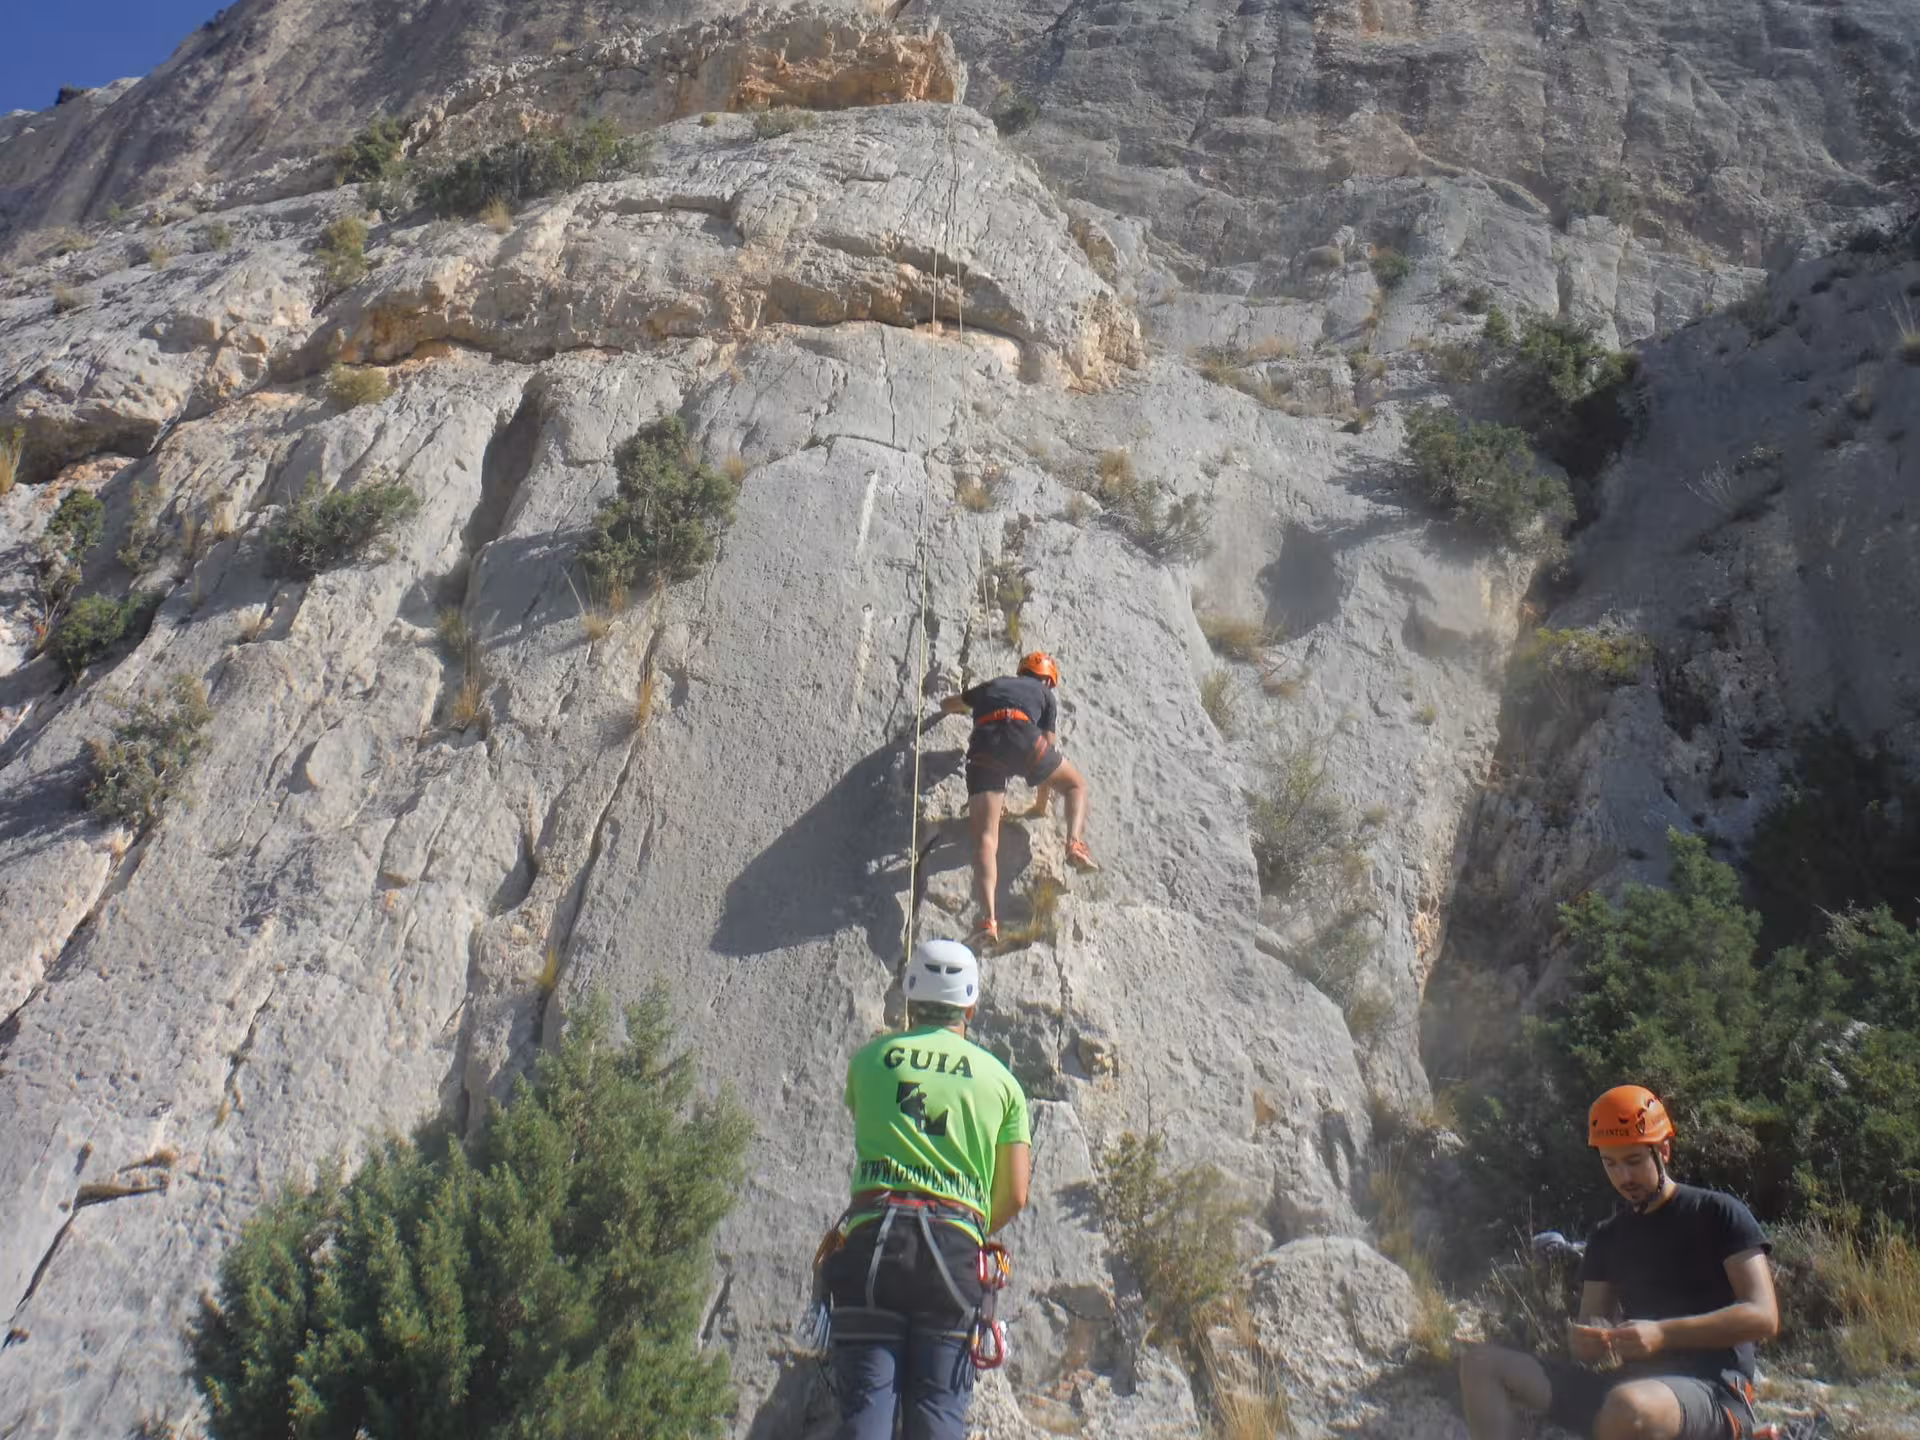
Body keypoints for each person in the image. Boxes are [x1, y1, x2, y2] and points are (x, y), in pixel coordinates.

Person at [1459, 1085, 1780, 1440]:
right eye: (1610, 1164)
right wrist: (1586, 1340)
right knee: (1481, 1365)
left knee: (1628, 1407)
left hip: (1713, 1389)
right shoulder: (1607, 1237)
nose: (1623, 1178)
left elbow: (1763, 1316)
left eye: (1633, 1161)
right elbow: (1590, 1330)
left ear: (1664, 1151)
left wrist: (1661, 1334)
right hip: (1627, 1386)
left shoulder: (1719, 1213)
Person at [822, 939, 1032, 1440]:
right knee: (938, 1415)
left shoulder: (870, 1060)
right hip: (954, 1253)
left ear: (911, 994)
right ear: (971, 1005)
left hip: (873, 1243)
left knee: (866, 1413)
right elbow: (1017, 1193)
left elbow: (870, 1118)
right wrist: (973, 1228)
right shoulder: (1002, 1083)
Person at [938, 651, 1096, 945]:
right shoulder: (1045, 695)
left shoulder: (994, 685)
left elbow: (952, 704)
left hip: (984, 745)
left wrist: (941, 708)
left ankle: (988, 920)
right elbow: (1046, 747)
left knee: (986, 838)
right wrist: (1039, 805)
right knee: (1076, 786)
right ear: (1048, 680)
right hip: (1022, 735)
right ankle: (1074, 843)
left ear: (1021, 671)